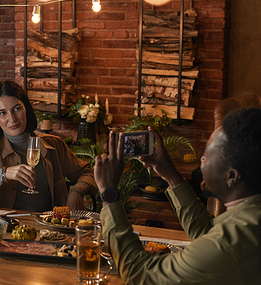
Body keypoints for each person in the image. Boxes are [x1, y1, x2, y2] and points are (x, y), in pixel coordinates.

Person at [94, 107, 261, 285]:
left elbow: (141, 273)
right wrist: (171, 175)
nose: (201, 162)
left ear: (231, 176)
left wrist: (108, 193)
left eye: (206, 156)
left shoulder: (230, 243)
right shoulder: (249, 221)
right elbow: (207, 232)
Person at [0, 81, 97, 212]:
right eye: (2, 113)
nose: (12, 119)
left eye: (17, 109)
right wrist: (2, 175)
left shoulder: (54, 145)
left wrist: (77, 191)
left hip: (48, 232)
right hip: (4, 232)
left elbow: (87, 173)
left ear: (26, 109)